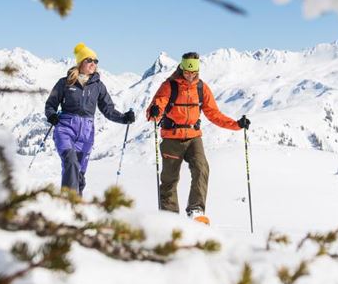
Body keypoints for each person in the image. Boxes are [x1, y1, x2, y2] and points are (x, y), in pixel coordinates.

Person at [146, 52, 250, 222]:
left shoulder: (201, 88)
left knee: (202, 168)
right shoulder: (169, 86)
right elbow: (154, 110)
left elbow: (214, 114)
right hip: (172, 138)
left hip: (194, 137)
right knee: (169, 179)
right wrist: (155, 111)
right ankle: (169, 216)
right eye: (187, 72)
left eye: (194, 73)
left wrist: (237, 125)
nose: (190, 76)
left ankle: (196, 210)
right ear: (181, 68)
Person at [45, 42, 135, 196]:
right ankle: (68, 203)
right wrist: (52, 115)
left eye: (95, 61)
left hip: (86, 133)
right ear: (80, 62)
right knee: (71, 162)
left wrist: (124, 118)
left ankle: (76, 205)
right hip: (65, 128)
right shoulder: (65, 83)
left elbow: (108, 109)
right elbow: (51, 104)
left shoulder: (98, 86)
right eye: (89, 60)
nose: (93, 64)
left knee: (79, 174)